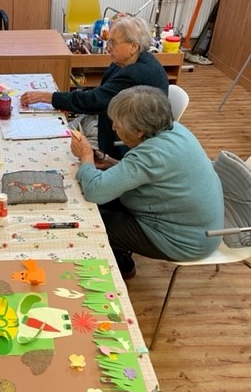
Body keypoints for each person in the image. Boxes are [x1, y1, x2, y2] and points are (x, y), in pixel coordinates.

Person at [70, 85, 224, 279]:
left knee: (88, 223)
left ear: (139, 131)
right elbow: (150, 173)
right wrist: (111, 163)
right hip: (201, 229)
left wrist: (85, 157)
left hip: (185, 241)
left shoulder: (151, 154)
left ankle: (102, 274)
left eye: (117, 123)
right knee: (100, 202)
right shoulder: (176, 130)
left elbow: (95, 192)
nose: (113, 127)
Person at [20, 16, 169, 158]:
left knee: (58, 146)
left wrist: (48, 97)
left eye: (113, 43)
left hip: (121, 139)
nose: (108, 48)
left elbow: (94, 101)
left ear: (133, 47)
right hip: (104, 120)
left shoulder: (136, 73)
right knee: (54, 131)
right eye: (108, 42)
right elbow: (101, 94)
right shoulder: (125, 62)